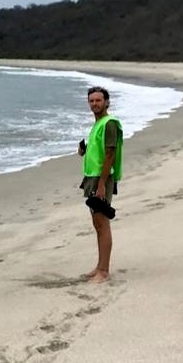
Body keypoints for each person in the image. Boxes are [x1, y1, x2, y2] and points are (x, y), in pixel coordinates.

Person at [77, 86, 123, 283]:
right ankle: (99, 266)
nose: (94, 104)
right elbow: (99, 151)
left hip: (100, 178)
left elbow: (110, 154)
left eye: (98, 100)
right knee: (97, 223)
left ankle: (103, 271)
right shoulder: (98, 124)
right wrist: (83, 152)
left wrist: (103, 184)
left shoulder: (109, 123)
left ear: (107, 102)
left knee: (102, 223)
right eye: (91, 101)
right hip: (92, 177)